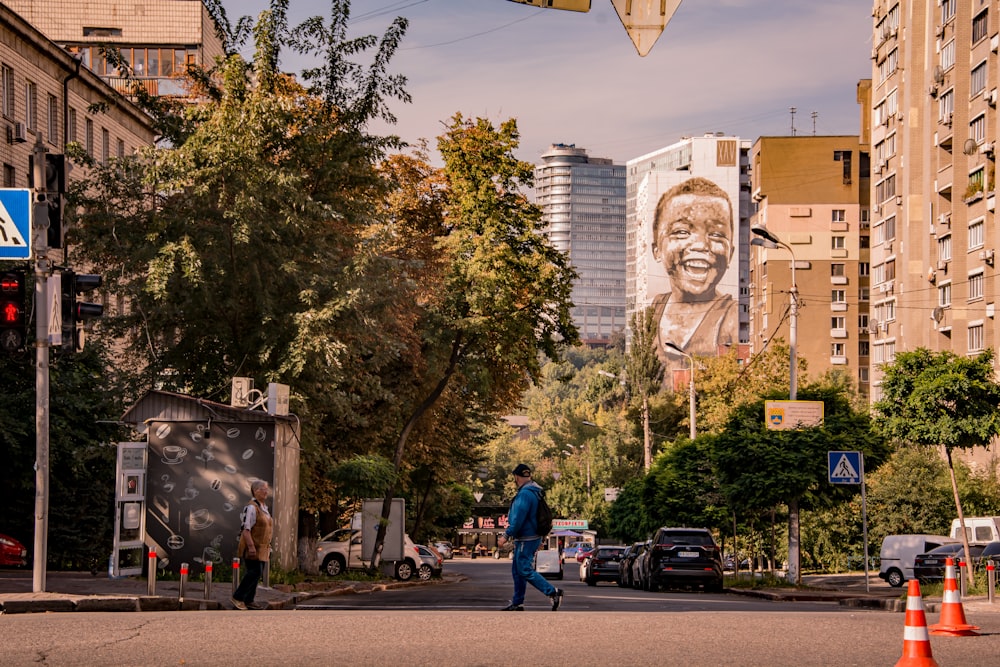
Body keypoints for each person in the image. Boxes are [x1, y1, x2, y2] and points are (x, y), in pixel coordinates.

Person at [649, 177, 738, 384]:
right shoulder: (653, 310)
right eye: (682, 232)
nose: (700, 245)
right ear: (657, 250)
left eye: (716, 234)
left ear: (731, 253)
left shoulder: (732, 317)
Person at [497, 463, 563, 611]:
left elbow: (518, 519)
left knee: (524, 569)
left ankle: (552, 592)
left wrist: (505, 536)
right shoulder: (534, 491)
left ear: (516, 477)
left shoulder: (525, 494)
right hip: (531, 536)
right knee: (517, 570)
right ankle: (517, 602)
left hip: (527, 537)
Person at [231, 480, 272, 610]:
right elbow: (246, 529)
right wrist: (251, 547)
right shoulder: (251, 507)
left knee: (257, 573)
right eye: (263, 489)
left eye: (266, 489)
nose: (266, 492)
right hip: (253, 546)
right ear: (256, 491)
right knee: (254, 571)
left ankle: (249, 599)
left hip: (263, 547)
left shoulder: (264, 508)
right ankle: (238, 597)